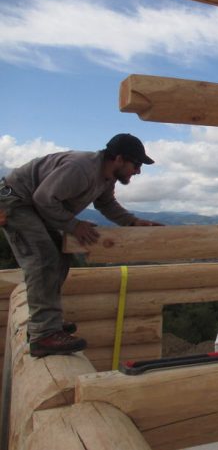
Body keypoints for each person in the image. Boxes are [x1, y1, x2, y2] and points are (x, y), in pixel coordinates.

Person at [0, 133, 162, 357]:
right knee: (44, 259)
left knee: (61, 256)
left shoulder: (105, 178)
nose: (138, 171)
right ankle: (43, 334)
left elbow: (106, 203)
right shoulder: (81, 168)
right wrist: (73, 225)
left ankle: (48, 322)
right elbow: (43, 198)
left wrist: (132, 221)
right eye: (136, 164)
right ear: (119, 159)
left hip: (33, 206)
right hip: (16, 202)